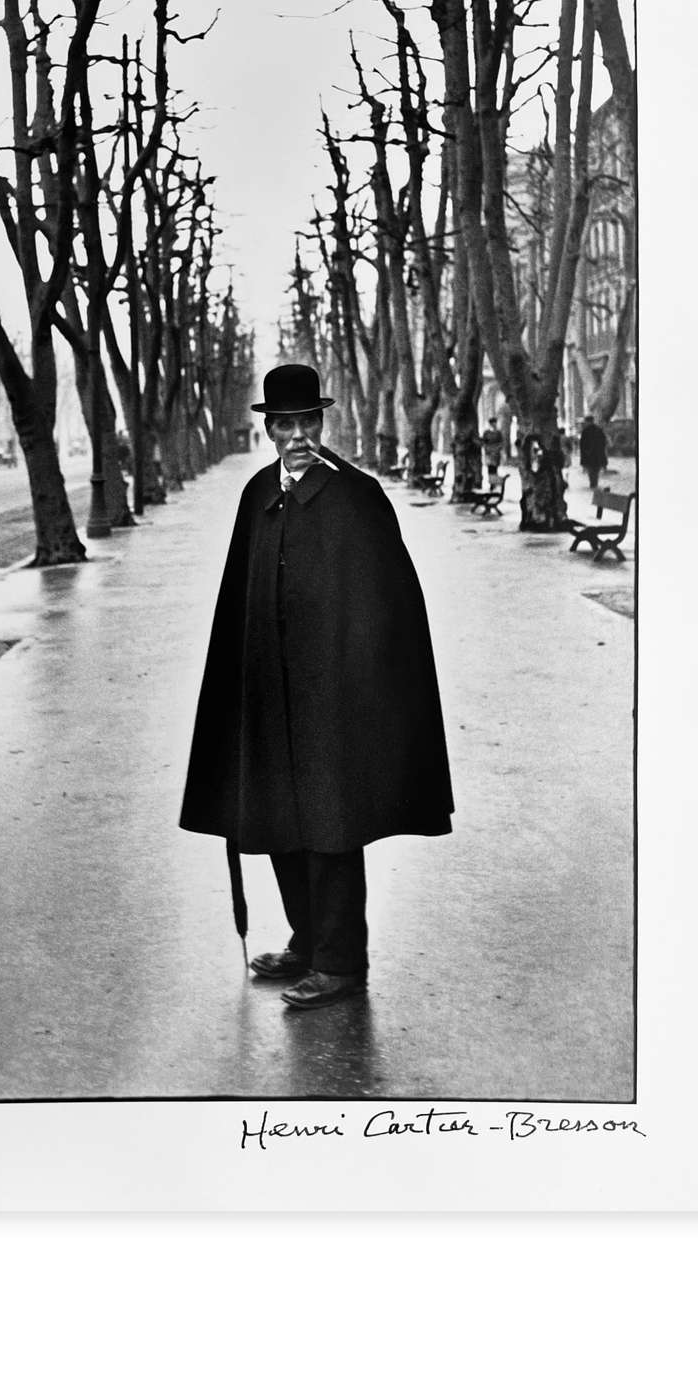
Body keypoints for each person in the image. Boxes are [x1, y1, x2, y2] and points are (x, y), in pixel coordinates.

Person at [179, 364, 453, 1011]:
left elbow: (389, 606)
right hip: (271, 697)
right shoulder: (256, 497)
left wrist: (363, 687)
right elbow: (238, 603)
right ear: (269, 429)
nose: (298, 436)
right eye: (286, 424)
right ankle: (305, 942)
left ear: (320, 424)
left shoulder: (354, 499)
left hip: (333, 700)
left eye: (309, 422)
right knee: (276, 821)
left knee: (330, 829)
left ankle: (340, 964)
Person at [579, 414, 608, 492]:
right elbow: (603, 442)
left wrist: (583, 455)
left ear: (587, 421)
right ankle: (594, 483)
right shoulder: (598, 430)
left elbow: (582, 445)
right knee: (595, 470)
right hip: (598, 455)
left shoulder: (585, 431)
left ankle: (593, 483)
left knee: (591, 470)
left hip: (588, 455)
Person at [481, 417, 504, 484]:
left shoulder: (498, 433)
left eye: (495, 423)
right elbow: (484, 442)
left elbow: (501, 443)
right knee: (490, 468)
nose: (494, 424)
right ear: (490, 424)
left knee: (495, 468)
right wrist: (487, 448)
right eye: (492, 423)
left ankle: (494, 482)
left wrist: (497, 448)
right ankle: (491, 482)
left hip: (496, 453)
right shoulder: (486, 433)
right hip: (489, 453)